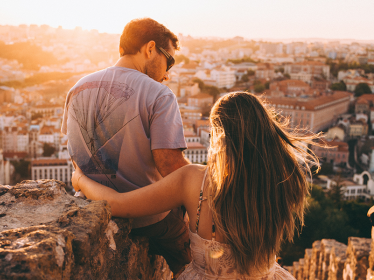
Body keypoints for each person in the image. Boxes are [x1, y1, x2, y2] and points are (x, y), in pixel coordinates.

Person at [72, 92, 320, 279]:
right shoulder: (288, 180)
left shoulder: (194, 180)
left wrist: (81, 179)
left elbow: (118, 205)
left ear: (219, 135)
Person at [61, 18, 191, 276]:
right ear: (150, 48)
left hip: (90, 206)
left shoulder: (77, 89)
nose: (167, 73)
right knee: (195, 256)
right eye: (170, 61)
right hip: (149, 219)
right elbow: (171, 167)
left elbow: (75, 153)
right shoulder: (159, 95)